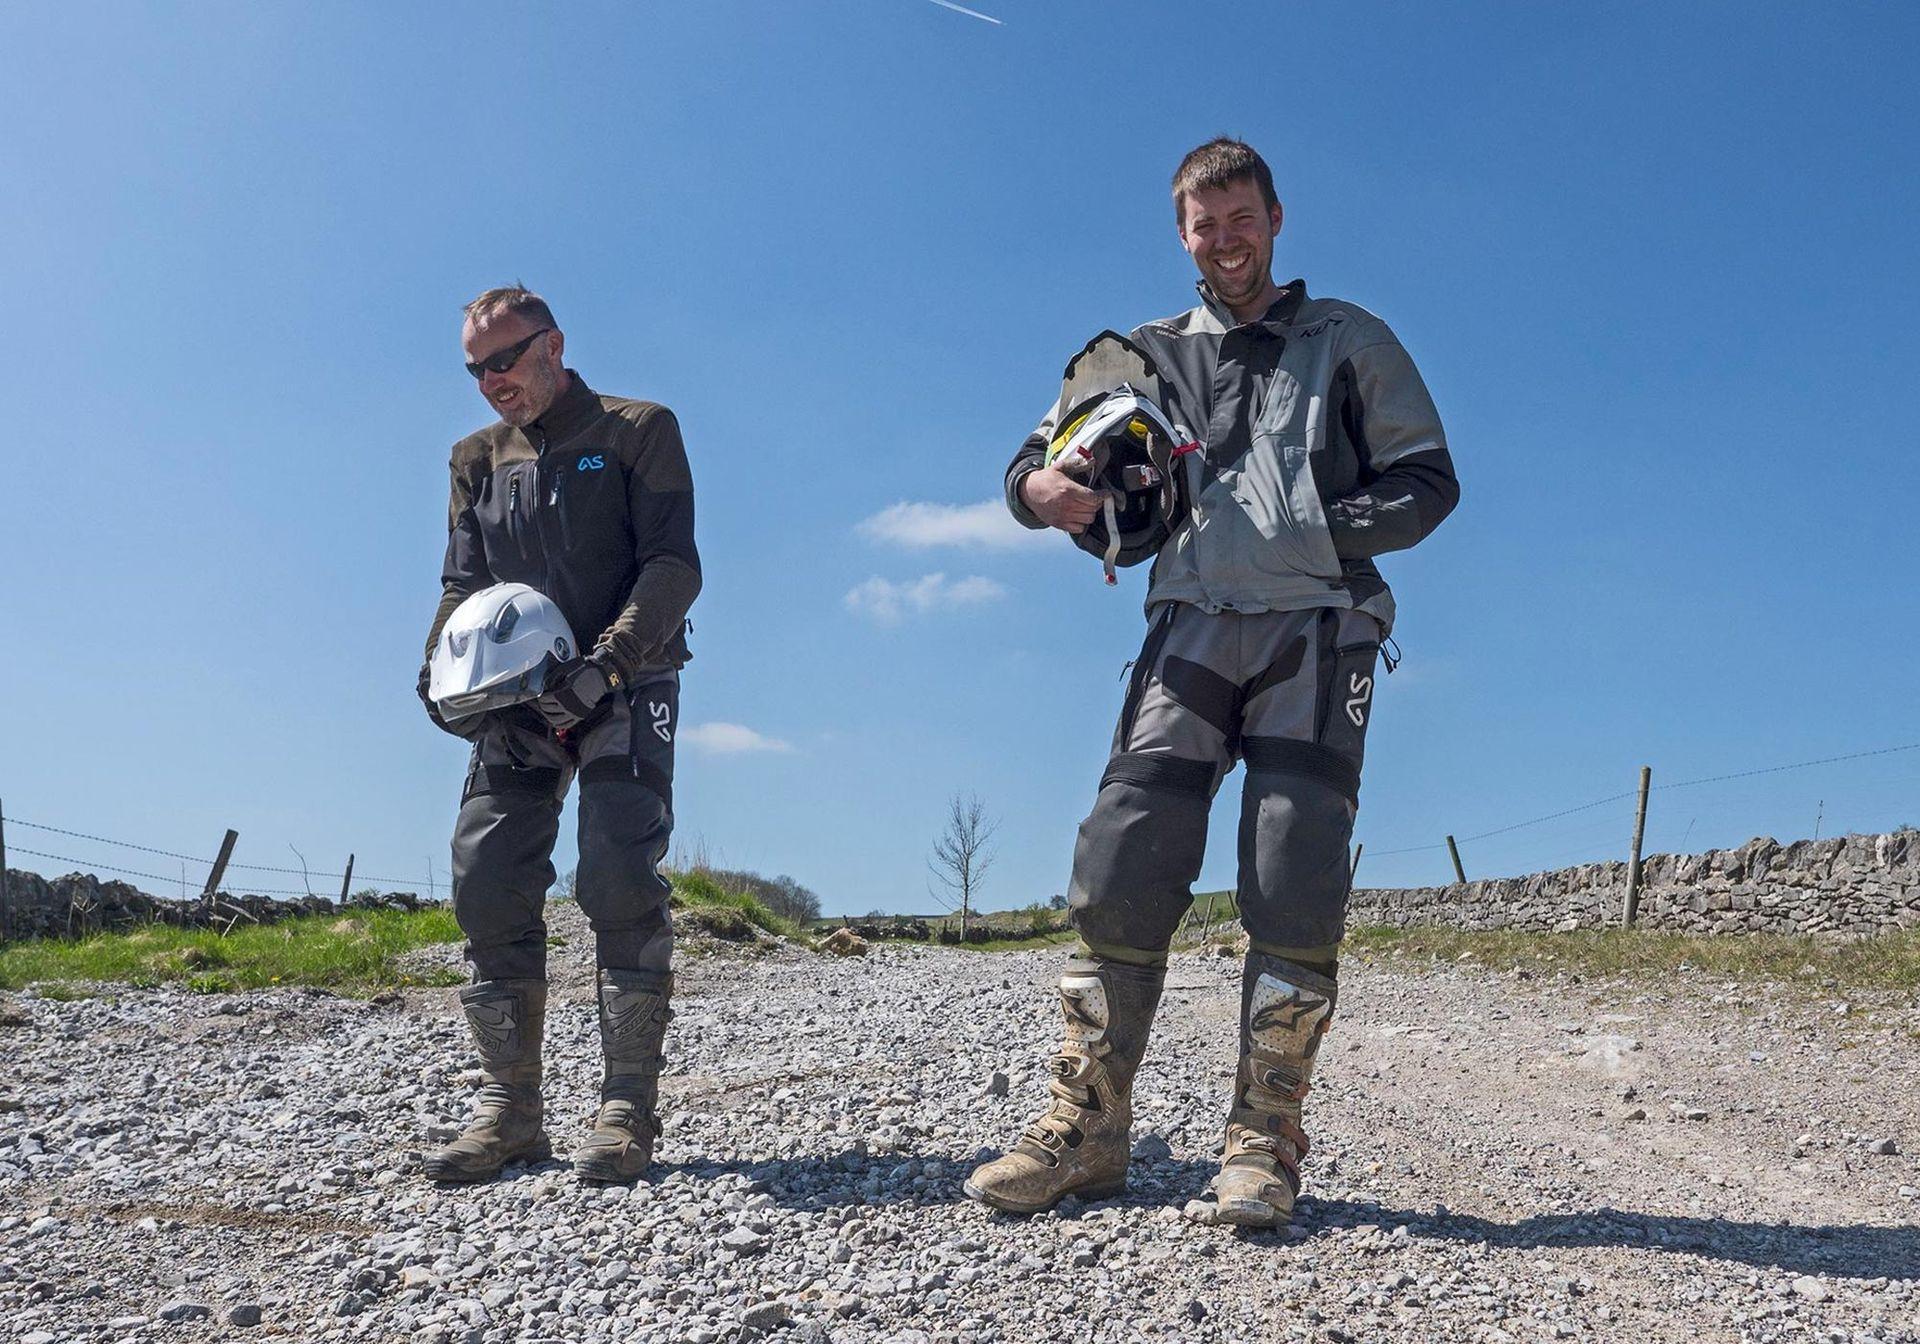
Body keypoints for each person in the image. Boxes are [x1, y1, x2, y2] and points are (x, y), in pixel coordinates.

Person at [966, 139, 1459, 1226]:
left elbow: (1428, 485)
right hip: (1187, 627)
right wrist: (1035, 490)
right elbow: (1038, 458)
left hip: (1318, 634)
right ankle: (1086, 1127)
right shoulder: (1142, 355)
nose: (1225, 240)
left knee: (1293, 870)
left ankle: (1263, 1144)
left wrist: (1306, 529)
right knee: (1124, 855)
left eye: (1241, 218)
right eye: (1204, 224)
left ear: (1275, 219)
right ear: (1182, 234)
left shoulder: (1351, 342)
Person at [416, 286, 700, 1184]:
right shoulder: (473, 458)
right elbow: (462, 585)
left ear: (553, 345)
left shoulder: (637, 427)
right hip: (516, 700)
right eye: (475, 368)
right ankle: (510, 1109)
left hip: (627, 679)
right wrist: (437, 670)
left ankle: (625, 1110)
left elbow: (672, 564)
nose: (490, 380)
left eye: (504, 359)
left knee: (616, 871)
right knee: (487, 877)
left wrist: (608, 665)